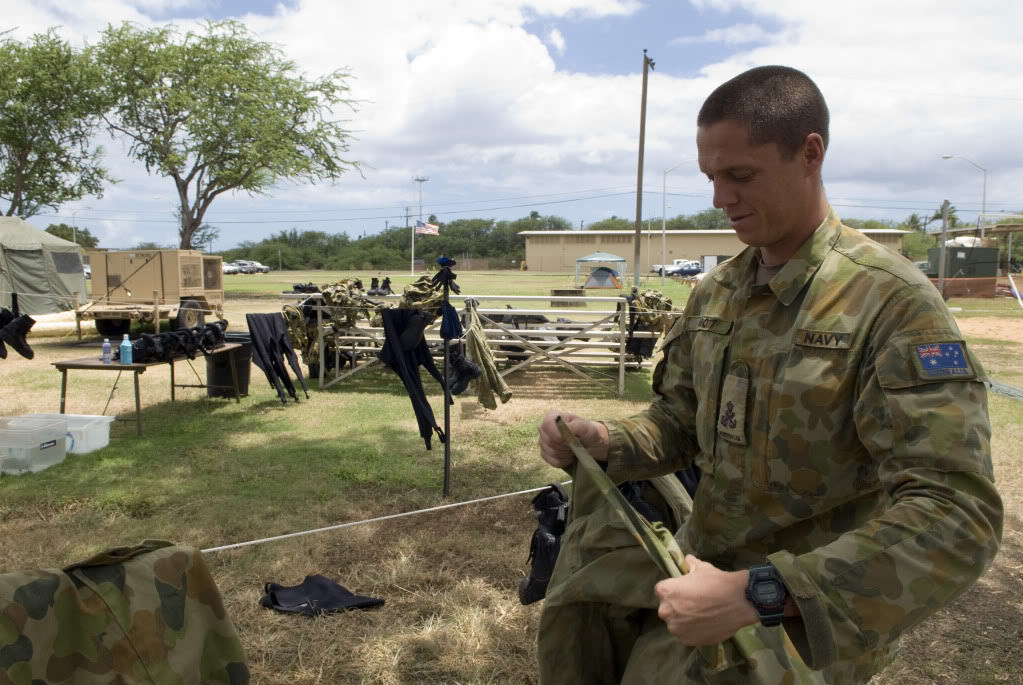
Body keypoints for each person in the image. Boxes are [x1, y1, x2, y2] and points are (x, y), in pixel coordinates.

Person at [535, 65, 1003, 685]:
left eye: (740, 175)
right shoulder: (718, 292)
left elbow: (955, 514)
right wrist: (608, 441)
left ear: (809, 153)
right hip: (691, 590)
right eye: (710, 176)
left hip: (795, 634)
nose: (719, 197)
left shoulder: (890, 305)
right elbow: (681, 423)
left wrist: (757, 593)